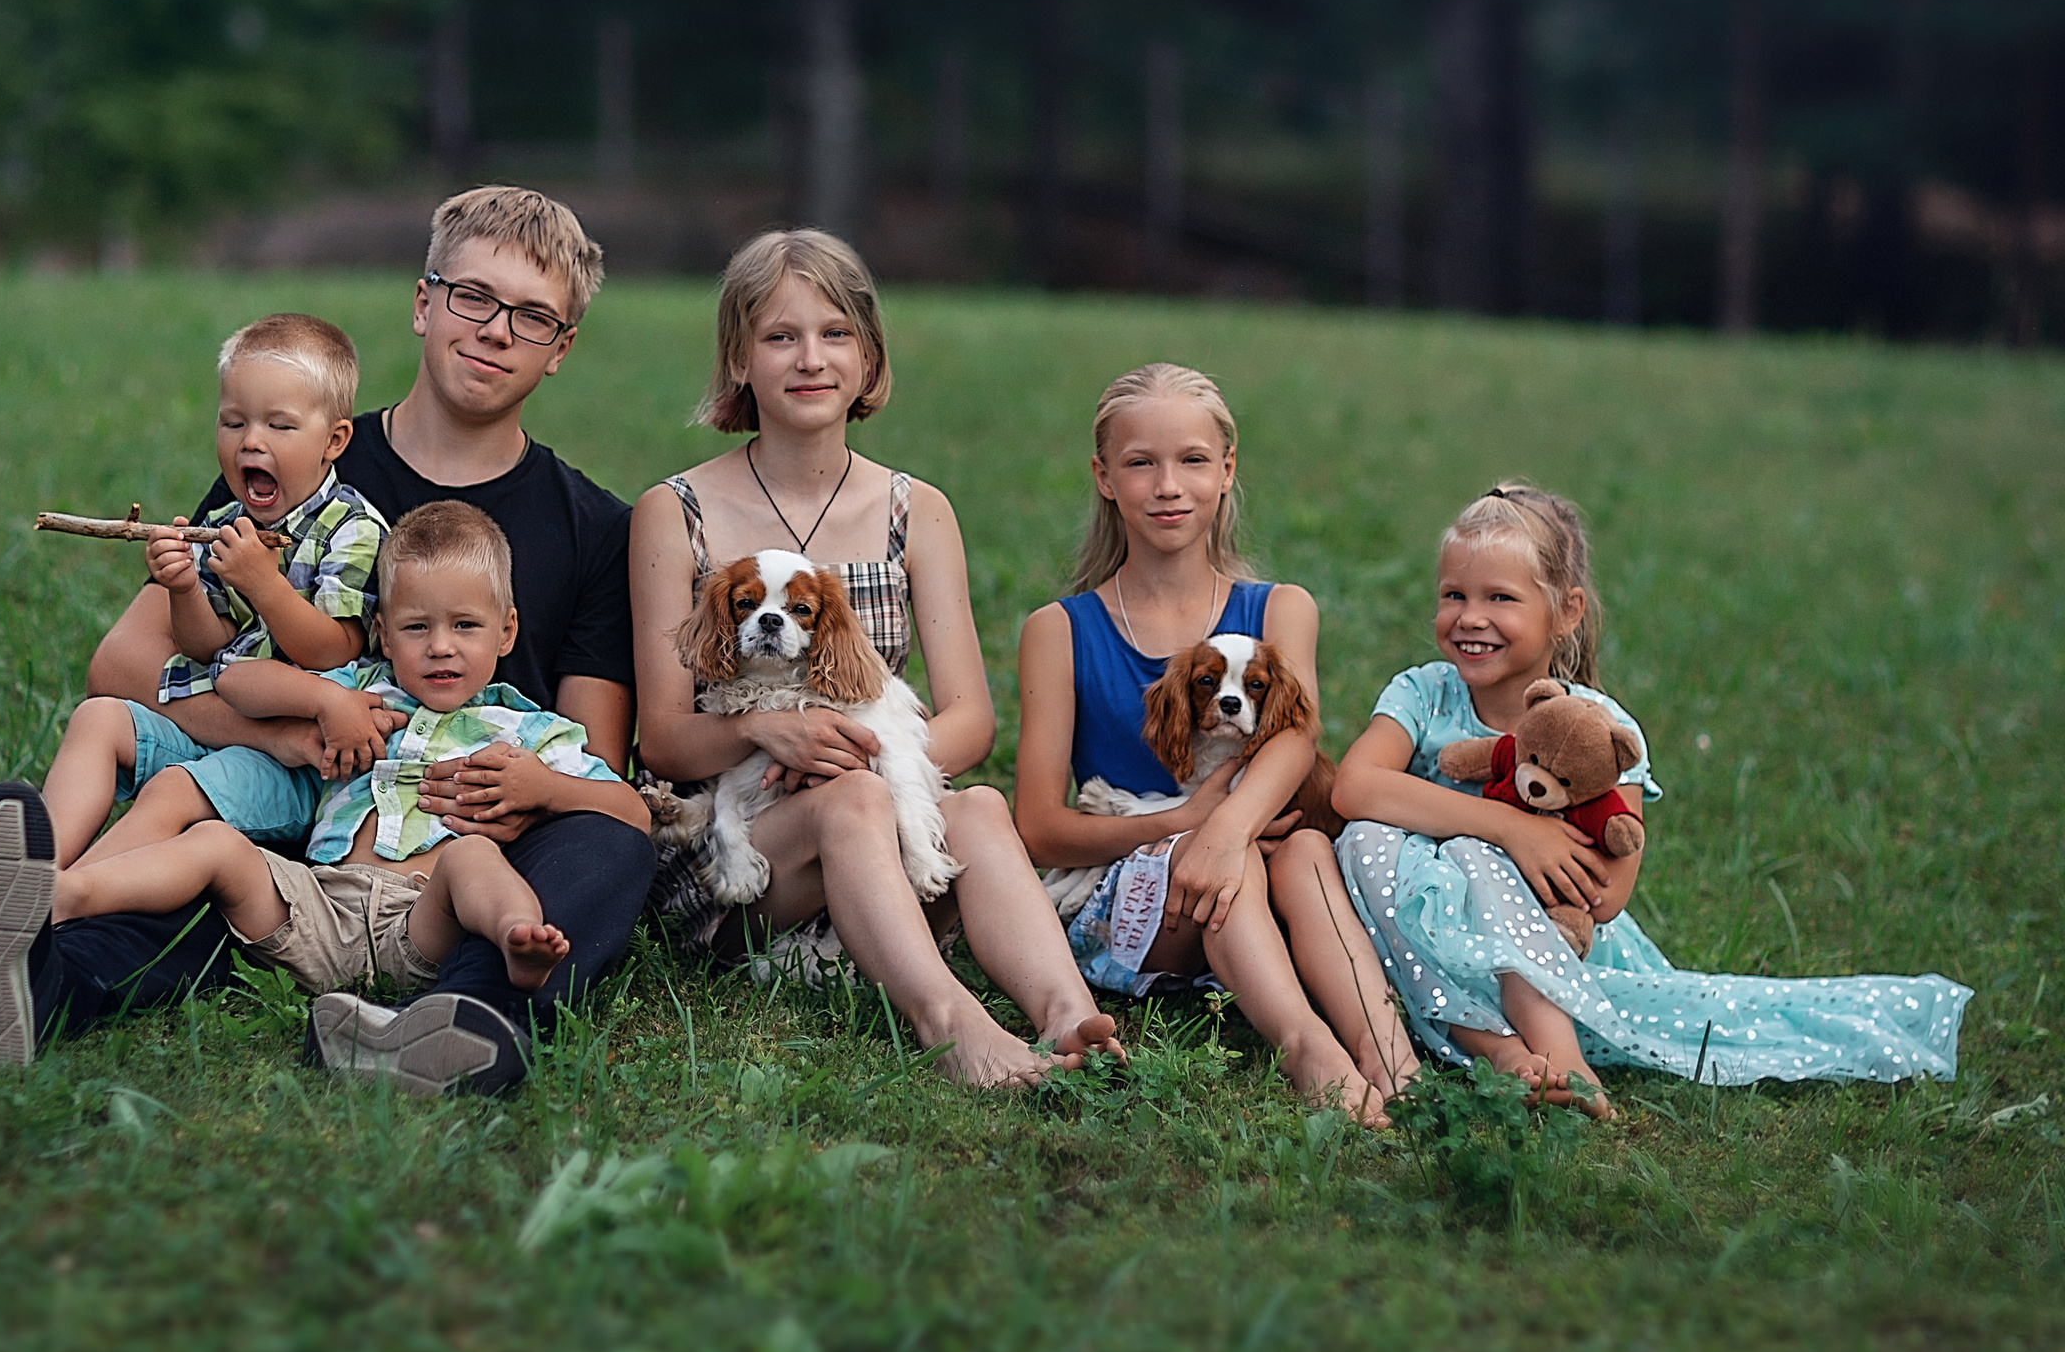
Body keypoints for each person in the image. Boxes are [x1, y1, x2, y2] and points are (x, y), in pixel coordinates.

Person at [0, 186, 651, 1093]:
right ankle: (25, 983)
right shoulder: (299, 458)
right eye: (474, 297)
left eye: (532, 316)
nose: (497, 330)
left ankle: (463, 1025)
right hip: (298, 822)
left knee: (612, 849)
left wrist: (529, 797)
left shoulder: (592, 526)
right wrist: (279, 735)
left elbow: (600, 761)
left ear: (561, 349)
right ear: (424, 301)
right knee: (209, 841)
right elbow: (122, 665)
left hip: (470, 846)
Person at [632, 229, 1122, 1089]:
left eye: (835, 334)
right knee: (854, 800)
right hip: (737, 858)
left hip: (874, 806)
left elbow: (969, 718)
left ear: (869, 359)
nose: (810, 358)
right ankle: (950, 1023)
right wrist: (771, 733)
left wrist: (865, 747)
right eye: (781, 336)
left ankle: (1069, 1013)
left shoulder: (915, 509)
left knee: (972, 808)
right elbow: (665, 741)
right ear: (739, 357)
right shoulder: (676, 511)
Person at [1331, 482, 1973, 1116]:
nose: (1470, 617)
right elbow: (1355, 787)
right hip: (1425, 946)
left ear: (1567, 612)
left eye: (1500, 597)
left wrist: (1493, 855)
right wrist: (1507, 827)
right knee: (1364, 837)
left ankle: (1562, 1057)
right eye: (1453, 595)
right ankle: (1500, 1050)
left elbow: (1606, 894)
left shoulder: (1600, 733)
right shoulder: (1425, 693)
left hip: (1554, 953)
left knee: (1473, 859)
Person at [1013, 363, 1418, 1126]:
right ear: (1104, 477)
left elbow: (1297, 737)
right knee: (1231, 869)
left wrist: (1227, 831)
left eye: (1193, 459)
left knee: (1300, 851)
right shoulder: (1060, 629)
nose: (1169, 484)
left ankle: (1389, 1056)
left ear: (1227, 471)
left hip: (1249, 862)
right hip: (1141, 896)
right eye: (1141, 462)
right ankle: (1307, 1047)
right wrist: (1187, 829)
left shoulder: (1279, 609)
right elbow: (1036, 825)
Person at [46, 503, 646, 1002]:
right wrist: (319, 699)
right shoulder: (359, 692)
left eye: (465, 626)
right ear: (383, 633)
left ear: (507, 632)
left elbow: (632, 812)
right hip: (317, 902)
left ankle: (519, 941)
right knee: (215, 847)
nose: (440, 647)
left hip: (422, 921)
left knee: (476, 859)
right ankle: (61, 896)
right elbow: (236, 683)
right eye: (416, 628)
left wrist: (547, 789)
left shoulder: (525, 730)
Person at [33, 313, 388, 870]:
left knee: (173, 787)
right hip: (224, 731)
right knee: (97, 718)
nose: (252, 441)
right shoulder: (225, 521)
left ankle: (68, 898)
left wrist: (263, 583)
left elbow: (331, 649)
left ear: (334, 441)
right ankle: (38, 868)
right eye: (233, 422)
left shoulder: (353, 528)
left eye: (280, 426)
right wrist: (181, 589)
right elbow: (207, 645)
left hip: (299, 765)